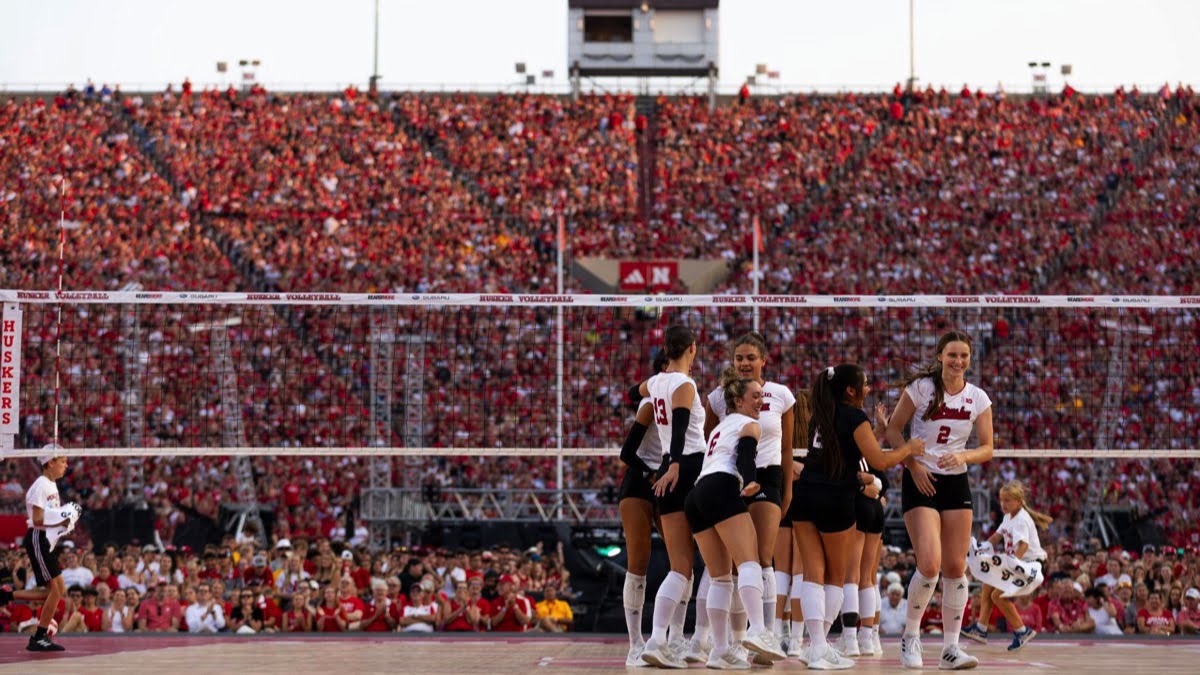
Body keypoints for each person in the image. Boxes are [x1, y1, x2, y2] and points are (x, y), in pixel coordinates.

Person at [790, 364, 924, 670]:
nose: (867, 390)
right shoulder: (854, 417)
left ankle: (814, 647)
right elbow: (879, 460)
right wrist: (909, 448)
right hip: (835, 500)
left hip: (805, 497)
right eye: (863, 385)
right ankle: (821, 648)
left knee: (812, 576)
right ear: (850, 390)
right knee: (837, 578)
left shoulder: (819, 417)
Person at [886, 331, 994, 670]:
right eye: (952, 355)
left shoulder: (977, 397)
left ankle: (950, 648)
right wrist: (913, 465)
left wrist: (964, 457)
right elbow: (892, 430)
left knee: (955, 568)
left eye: (963, 356)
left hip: (955, 481)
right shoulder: (921, 389)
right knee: (930, 564)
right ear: (940, 356)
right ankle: (911, 637)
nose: (958, 361)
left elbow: (988, 447)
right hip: (921, 480)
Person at [699, 332, 796, 665]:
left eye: (750, 357)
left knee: (761, 556)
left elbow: (785, 448)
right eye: (738, 358)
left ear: (763, 360)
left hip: (767, 476)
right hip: (730, 479)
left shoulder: (781, 394)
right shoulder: (718, 397)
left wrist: (787, 489)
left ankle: (765, 633)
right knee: (731, 565)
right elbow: (708, 440)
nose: (744, 363)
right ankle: (732, 640)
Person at [680, 365, 786, 669]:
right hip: (722, 485)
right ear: (738, 401)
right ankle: (760, 630)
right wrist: (750, 479)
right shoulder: (750, 425)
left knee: (721, 578)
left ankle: (721, 650)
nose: (761, 402)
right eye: (755, 396)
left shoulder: (717, 428)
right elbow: (746, 454)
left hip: (696, 496)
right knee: (750, 561)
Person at [636, 325, 705, 669]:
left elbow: (635, 390)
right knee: (713, 566)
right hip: (688, 466)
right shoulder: (684, 384)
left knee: (680, 566)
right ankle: (706, 641)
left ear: (666, 349)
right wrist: (677, 462)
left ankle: (658, 639)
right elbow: (679, 425)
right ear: (692, 348)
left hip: (665, 466)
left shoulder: (656, 382)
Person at [2, 448, 80, 651]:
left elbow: (49, 516)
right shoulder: (41, 486)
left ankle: (6, 595)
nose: (66, 465)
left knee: (56, 590)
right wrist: (64, 520)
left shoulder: (51, 484)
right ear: (51, 462)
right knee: (55, 590)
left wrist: (64, 524)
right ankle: (39, 636)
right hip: (39, 538)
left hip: (47, 540)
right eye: (63, 461)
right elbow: (37, 519)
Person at [617, 352, 666, 665]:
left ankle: (671, 639)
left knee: (682, 560)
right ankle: (636, 643)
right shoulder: (651, 403)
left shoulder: (686, 397)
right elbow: (627, 453)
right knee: (639, 560)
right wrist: (652, 472)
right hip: (640, 480)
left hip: (669, 479)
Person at [962, 480, 1050, 651]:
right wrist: (981, 548)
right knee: (988, 581)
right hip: (1020, 562)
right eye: (1002, 500)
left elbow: (1023, 546)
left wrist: (1011, 565)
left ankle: (1022, 631)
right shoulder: (1008, 516)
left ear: (1018, 501)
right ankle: (980, 629)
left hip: (1030, 565)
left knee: (997, 595)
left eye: (1007, 500)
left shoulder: (1021, 520)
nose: (1003, 504)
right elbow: (996, 538)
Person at [839, 403, 891, 658]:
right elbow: (885, 481)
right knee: (869, 577)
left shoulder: (845, 448)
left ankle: (849, 639)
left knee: (852, 576)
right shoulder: (868, 453)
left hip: (858, 506)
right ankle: (869, 638)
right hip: (875, 509)